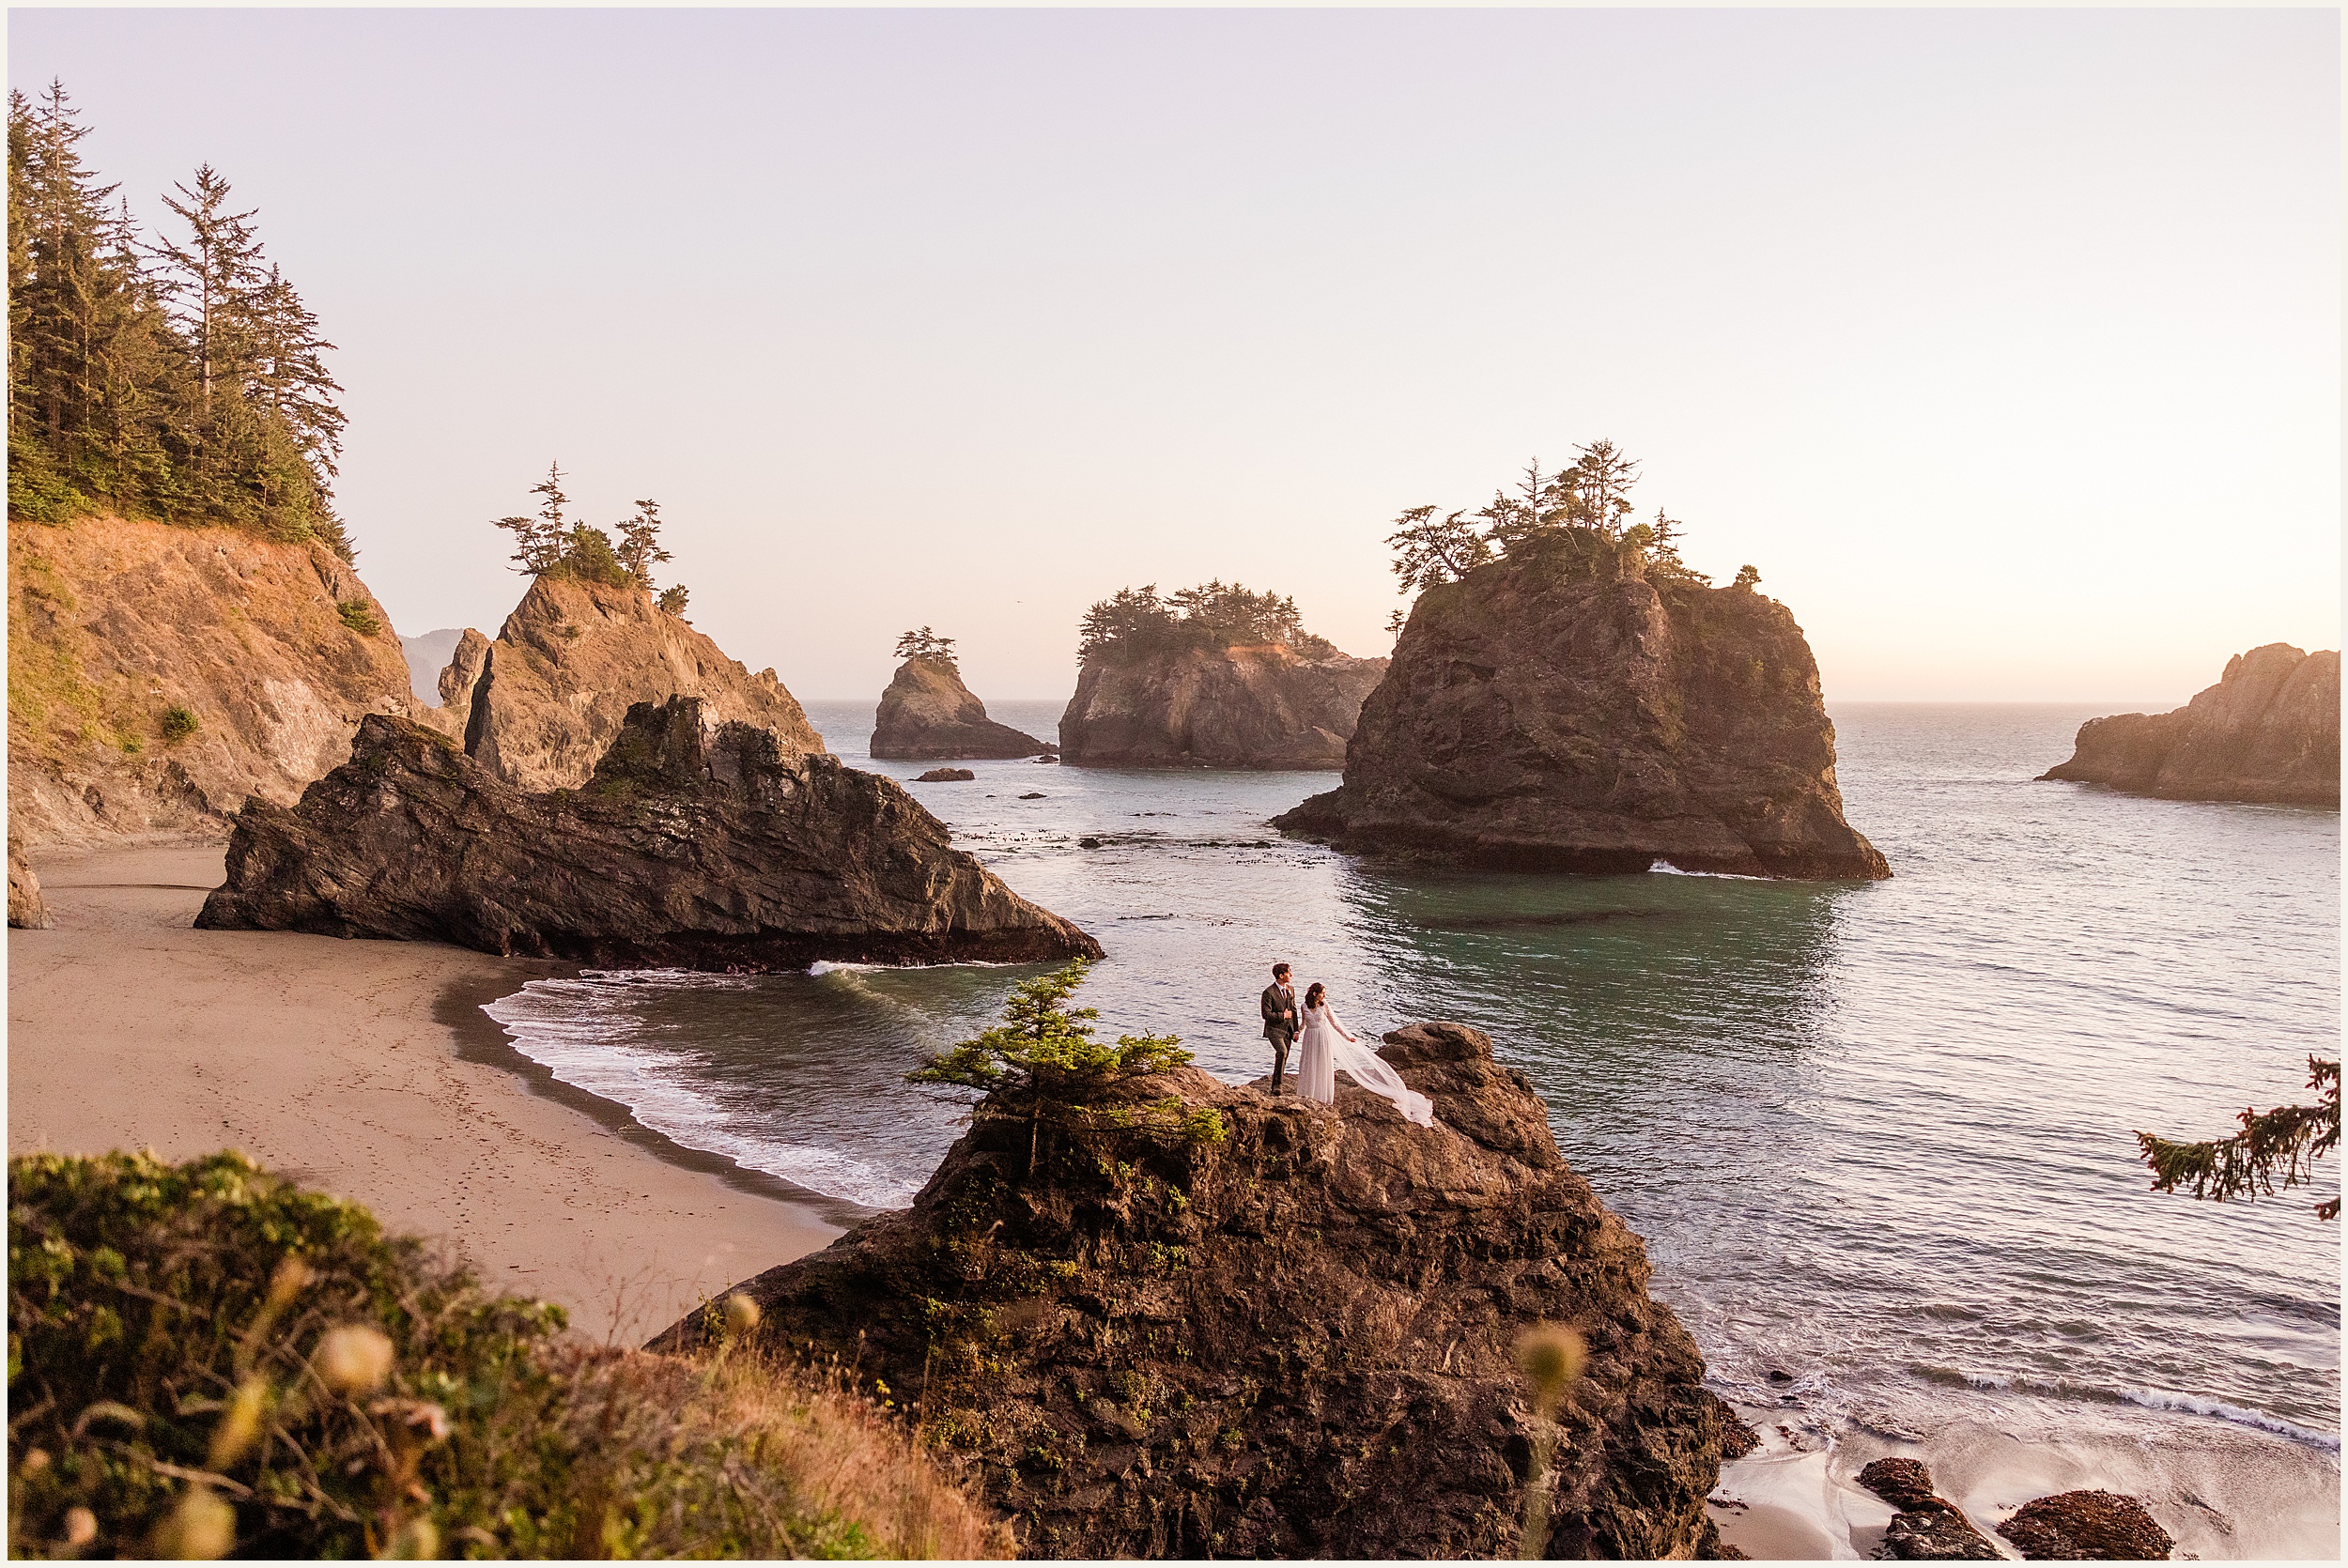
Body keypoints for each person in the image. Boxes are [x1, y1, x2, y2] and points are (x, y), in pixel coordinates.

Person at [1295, 983, 1438, 1128]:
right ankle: (1308, 1092)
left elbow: (1335, 1024)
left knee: (1322, 1065)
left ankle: (1323, 1096)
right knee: (1309, 1064)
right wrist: (1297, 1032)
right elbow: (1303, 1024)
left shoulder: (1324, 1005)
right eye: (1322, 993)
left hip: (1322, 1037)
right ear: (1314, 994)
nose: (1324, 996)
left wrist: (1347, 1037)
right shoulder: (1304, 1006)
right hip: (1310, 1037)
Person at [1260, 962, 1299, 1094]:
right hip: (1274, 1030)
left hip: (1288, 1030)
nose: (1291, 975)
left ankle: (1275, 1085)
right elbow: (1265, 1014)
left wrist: (1296, 1030)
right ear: (1281, 975)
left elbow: (1294, 1010)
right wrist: (1283, 1015)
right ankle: (1278, 1085)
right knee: (1282, 1052)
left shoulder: (1291, 989)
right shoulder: (1268, 992)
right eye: (1289, 973)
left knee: (1284, 1057)